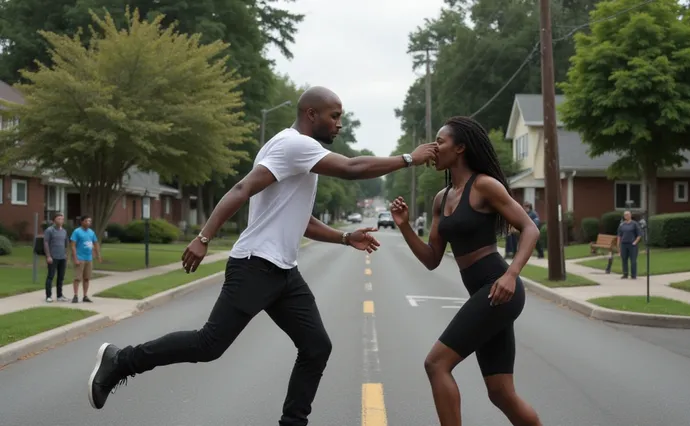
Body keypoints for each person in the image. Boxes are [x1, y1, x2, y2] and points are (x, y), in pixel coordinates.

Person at [86, 86, 439, 425]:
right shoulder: (295, 144)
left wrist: (345, 237)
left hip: (283, 272)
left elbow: (301, 220)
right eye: (334, 116)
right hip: (256, 266)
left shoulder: (296, 150)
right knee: (209, 344)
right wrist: (408, 159)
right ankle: (120, 361)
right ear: (310, 114)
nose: (339, 124)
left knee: (316, 347)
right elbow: (346, 169)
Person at [390, 116, 542, 426]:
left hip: (499, 288)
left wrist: (511, 274)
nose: (434, 147)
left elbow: (529, 229)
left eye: (440, 141)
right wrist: (405, 227)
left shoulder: (484, 185)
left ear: (460, 148)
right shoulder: (441, 199)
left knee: (436, 364)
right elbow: (432, 258)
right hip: (484, 293)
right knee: (500, 392)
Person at [70, 215, 101, 303]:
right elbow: (73, 246)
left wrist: (98, 255)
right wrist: (75, 258)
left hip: (89, 258)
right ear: (82, 222)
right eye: (87, 221)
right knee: (77, 278)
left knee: (87, 278)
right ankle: (75, 295)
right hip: (80, 258)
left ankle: (85, 296)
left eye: (90, 221)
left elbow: (95, 243)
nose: (88, 223)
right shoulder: (77, 232)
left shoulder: (91, 232)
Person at [43, 212, 70, 303]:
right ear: (54, 220)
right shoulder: (49, 230)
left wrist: (66, 254)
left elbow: (66, 244)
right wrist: (48, 256)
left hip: (62, 257)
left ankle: (59, 295)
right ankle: (48, 296)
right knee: (50, 276)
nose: (61, 220)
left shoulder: (64, 231)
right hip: (53, 257)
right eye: (59, 219)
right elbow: (46, 243)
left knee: (61, 277)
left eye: (62, 219)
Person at [617, 210, 643, 279]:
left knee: (633, 260)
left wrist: (635, 242)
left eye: (628, 214)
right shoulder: (622, 224)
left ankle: (633, 275)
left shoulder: (634, 224)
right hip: (623, 245)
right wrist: (618, 245)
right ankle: (625, 274)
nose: (626, 216)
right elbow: (619, 235)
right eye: (625, 215)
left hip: (632, 245)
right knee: (624, 260)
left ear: (630, 215)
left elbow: (639, 235)